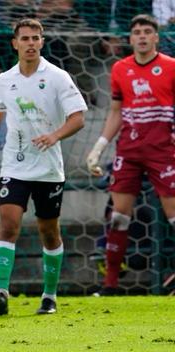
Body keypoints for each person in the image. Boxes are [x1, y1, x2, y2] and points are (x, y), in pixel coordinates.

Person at [0, 18, 86, 315]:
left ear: (42, 42)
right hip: (14, 165)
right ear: (14, 43)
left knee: (49, 232)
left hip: (48, 168)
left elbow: (78, 117)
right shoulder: (6, 79)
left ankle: (49, 296)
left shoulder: (57, 77)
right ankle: (1, 293)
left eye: (35, 38)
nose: (30, 43)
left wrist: (54, 135)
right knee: (8, 224)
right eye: (25, 38)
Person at [86, 14, 175, 296]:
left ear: (156, 37)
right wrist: (99, 147)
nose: (142, 36)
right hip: (129, 151)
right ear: (130, 38)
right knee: (119, 217)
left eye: (147, 31)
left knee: (173, 218)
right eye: (137, 32)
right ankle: (110, 284)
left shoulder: (171, 67)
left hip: (164, 151)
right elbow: (116, 113)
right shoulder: (120, 69)